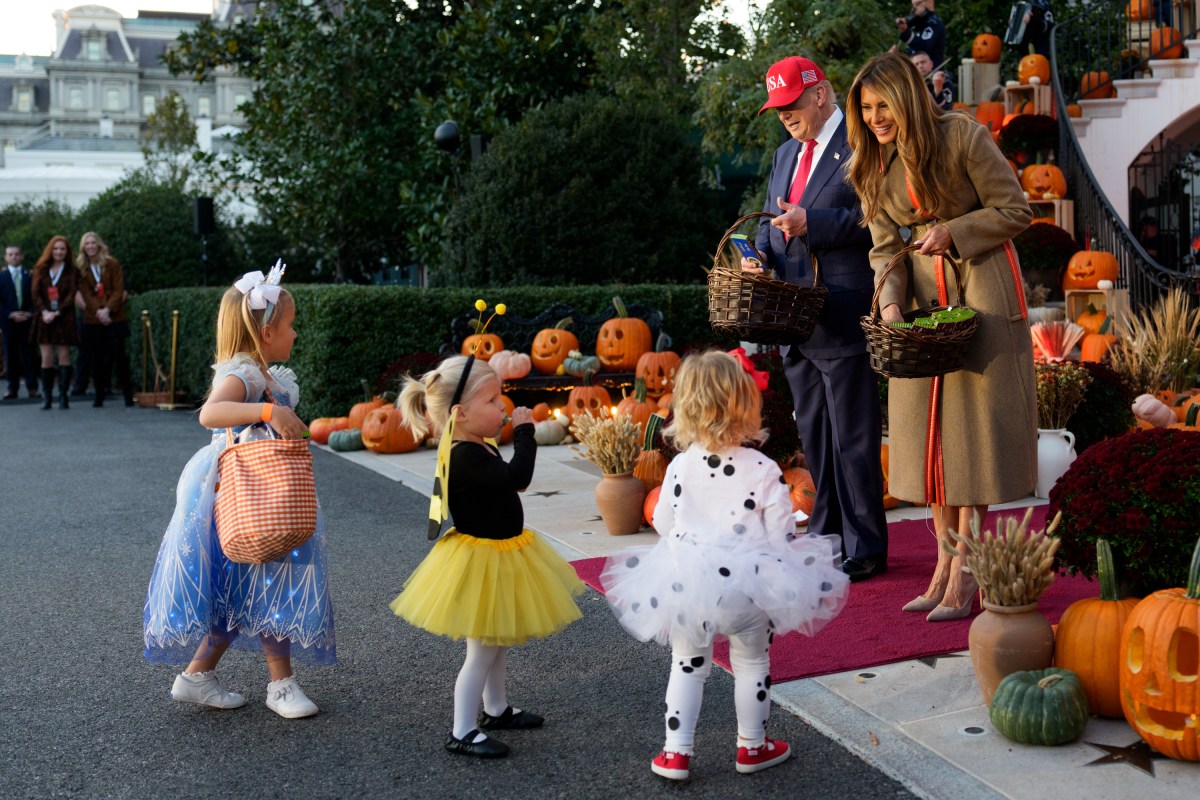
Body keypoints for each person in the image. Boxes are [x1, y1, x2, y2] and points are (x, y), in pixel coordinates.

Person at [845, 52, 1036, 621]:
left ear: (908, 97)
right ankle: (942, 566)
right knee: (929, 444)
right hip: (921, 303)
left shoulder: (964, 137)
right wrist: (892, 304)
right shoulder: (873, 163)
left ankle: (967, 571)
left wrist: (953, 230)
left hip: (981, 291)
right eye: (867, 108)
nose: (876, 117)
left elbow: (1016, 209)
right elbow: (883, 247)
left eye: (884, 105)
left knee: (969, 440)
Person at [600, 351, 849, 782]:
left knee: (687, 663)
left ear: (686, 408)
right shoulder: (763, 468)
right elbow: (779, 532)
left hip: (689, 587)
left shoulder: (680, 467)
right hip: (747, 590)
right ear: (746, 405)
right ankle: (752, 746)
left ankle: (676, 753)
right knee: (752, 664)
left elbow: (662, 521)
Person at [143, 265, 334, 719]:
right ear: (267, 332)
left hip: (265, 490)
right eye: (290, 325)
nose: (295, 332)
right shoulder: (244, 375)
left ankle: (196, 677)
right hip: (242, 491)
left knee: (246, 585)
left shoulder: (267, 375)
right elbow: (211, 413)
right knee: (267, 578)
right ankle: (281, 685)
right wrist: (268, 408)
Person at [390, 352, 584, 759]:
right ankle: (462, 729)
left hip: (501, 554)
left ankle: (495, 708)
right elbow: (519, 479)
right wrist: (527, 432)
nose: (503, 408)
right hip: (483, 562)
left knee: (497, 640)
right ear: (460, 413)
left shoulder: (476, 443)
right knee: (480, 651)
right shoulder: (467, 455)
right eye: (494, 401)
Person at [745, 55, 890, 582]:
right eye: (777, 107)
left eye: (791, 103)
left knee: (854, 438)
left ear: (821, 93)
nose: (784, 114)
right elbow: (768, 221)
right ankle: (827, 539)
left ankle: (867, 545)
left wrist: (816, 222)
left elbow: (879, 218)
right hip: (794, 322)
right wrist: (755, 255)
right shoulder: (785, 153)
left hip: (844, 311)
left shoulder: (862, 145)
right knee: (816, 438)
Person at [76, 232, 133, 407]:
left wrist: (107, 310)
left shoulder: (112, 264)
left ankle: (128, 396)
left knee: (119, 358)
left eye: (94, 243)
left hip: (115, 318)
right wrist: (99, 312)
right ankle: (99, 396)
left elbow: (119, 290)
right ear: (83, 247)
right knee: (96, 360)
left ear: (99, 245)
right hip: (93, 320)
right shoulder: (81, 268)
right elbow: (86, 294)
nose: (91, 246)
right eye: (87, 244)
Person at [29, 236, 79, 410]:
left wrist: (57, 312)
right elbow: (35, 294)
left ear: (67, 252)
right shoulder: (40, 269)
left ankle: (63, 396)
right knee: (47, 357)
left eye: (62, 249)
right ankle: (47, 397)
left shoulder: (72, 270)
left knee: (64, 356)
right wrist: (44, 312)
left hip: (64, 318)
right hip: (44, 319)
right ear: (50, 250)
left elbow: (72, 294)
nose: (59, 252)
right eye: (56, 248)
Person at [1, 245, 40, 400]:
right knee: (11, 356)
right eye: (10, 254)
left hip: (27, 321)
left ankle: (33, 388)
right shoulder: (1, 277)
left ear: (21, 256)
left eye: (17, 254)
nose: (14, 257)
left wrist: (29, 312)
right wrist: (10, 314)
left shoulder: (30, 276)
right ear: (5, 258)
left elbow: (36, 296)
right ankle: (12, 389)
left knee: (29, 355)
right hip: (9, 322)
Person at [896, 0, 946, 67]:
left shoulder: (933, 23)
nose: (914, 9)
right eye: (913, 5)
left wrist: (906, 32)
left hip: (931, 72)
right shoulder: (919, 22)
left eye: (917, 4)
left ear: (929, 2)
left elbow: (923, 48)